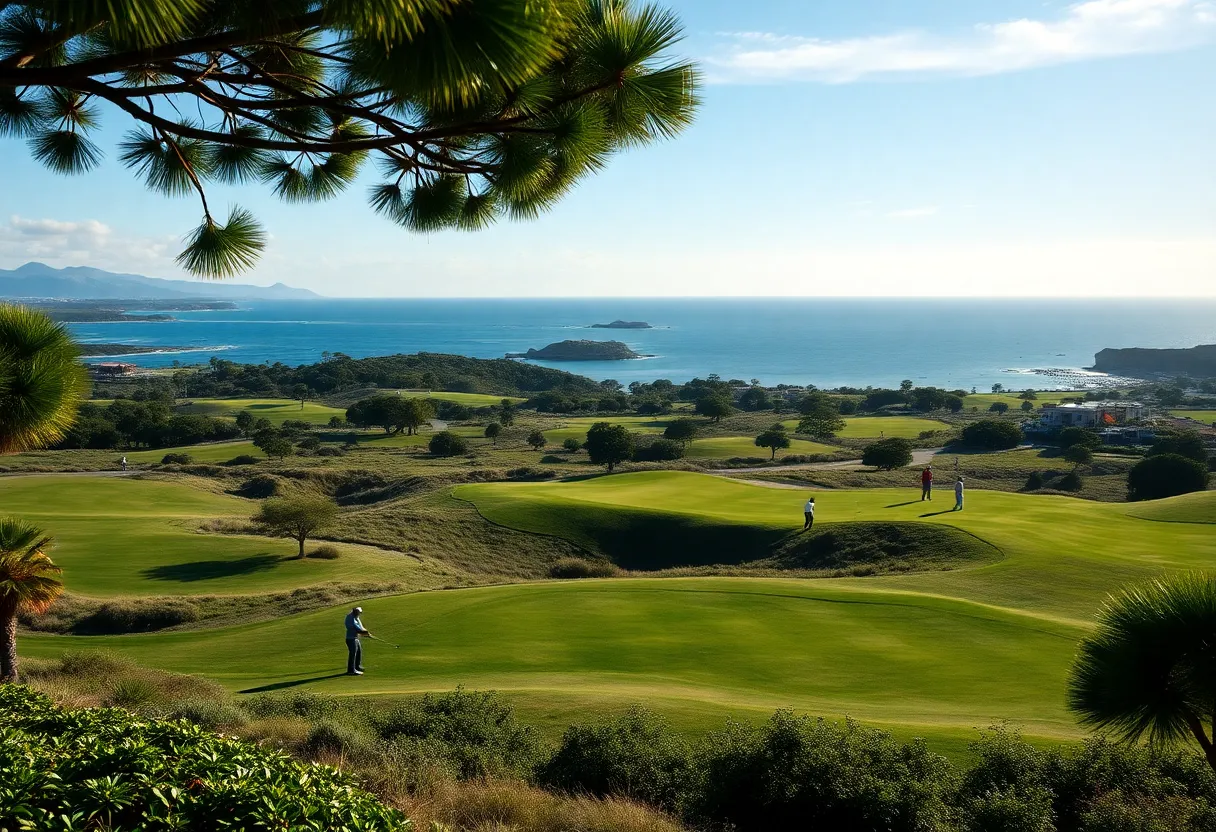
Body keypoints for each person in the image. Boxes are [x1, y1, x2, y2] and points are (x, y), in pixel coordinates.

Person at [344, 605, 370, 676]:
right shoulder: (350, 618)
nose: (359, 614)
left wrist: (365, 632)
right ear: (355, 611)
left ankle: (357, 667)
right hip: (351, 639)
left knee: (358, 652)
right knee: (353, 654)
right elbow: (356, 628)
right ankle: (351, 670)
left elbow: (360, 627)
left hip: (355, 638)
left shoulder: (356, 617)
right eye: (359, 612)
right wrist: (364, 633)